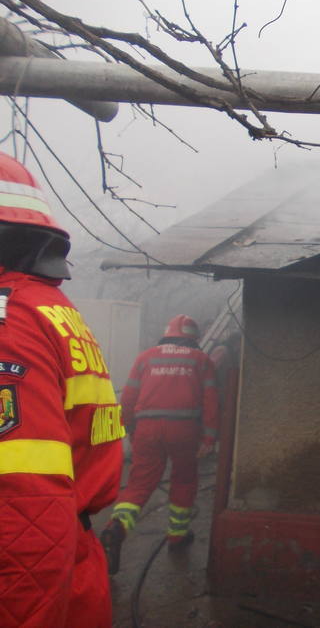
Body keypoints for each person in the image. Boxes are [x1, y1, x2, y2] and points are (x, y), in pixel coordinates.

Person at [0, 151, 123, 627]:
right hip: (66, 563)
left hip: (32, 583)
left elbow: (24, 502)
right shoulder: (45, 306)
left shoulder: (8, 325)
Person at [100, 314, 218, 574]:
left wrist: (130, 427)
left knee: (139, 483)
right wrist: (209, 437)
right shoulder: (201, 360)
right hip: (185, 430)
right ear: (193, 337)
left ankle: (116, 527)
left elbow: (129, 397)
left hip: (147, 428)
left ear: (167, 334)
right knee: (184, 479)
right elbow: (211, 402)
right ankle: (177, 535)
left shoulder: (146, 358)